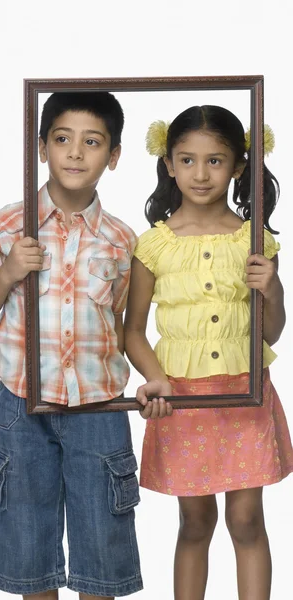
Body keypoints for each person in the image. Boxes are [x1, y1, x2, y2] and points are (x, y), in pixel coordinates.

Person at [0, 92, 153, 599]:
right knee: (28, 539)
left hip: (98, 406)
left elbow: (123, 324)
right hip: (23, 403)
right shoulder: (8, 224)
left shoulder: (121, 239)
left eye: (92, 142)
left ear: (112, 156)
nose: (75, 152)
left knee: (102, 537)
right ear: (42, 146)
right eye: (63, 139)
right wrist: (8, 272)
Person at [124, 105, 293, 600]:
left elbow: (273, 333)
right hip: (182, 398)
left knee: (246, 520)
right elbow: (132, 330)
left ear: (239, 165)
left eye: (216, 161)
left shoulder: (255, 240)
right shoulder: (153, 246)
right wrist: (157, 379)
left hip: (244, 392)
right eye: (188, 160)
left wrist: (272, 294)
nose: (201, 173)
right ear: (169, 164)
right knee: (196, 521)